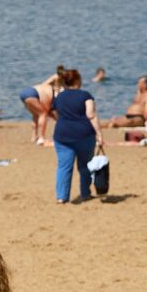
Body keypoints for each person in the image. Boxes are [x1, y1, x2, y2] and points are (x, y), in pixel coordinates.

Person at [52, 69, 105, 204]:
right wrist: (99, 134)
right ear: (77, 81)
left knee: (64, 166)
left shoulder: (59, 97)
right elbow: (91, 115)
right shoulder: (85, 95)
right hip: (83, 135)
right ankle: (85, 193)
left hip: (62, 134)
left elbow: (56, 114)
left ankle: (61, 197)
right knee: (85, 165)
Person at [20, 68, 64, 144]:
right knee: (43, 114)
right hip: (33, 94)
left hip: (26, 92)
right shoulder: (51, 95)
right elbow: (48, 111)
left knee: (36, 114)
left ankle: (34, 136)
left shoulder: (50, 89)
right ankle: (42, 138)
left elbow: (51, 111)